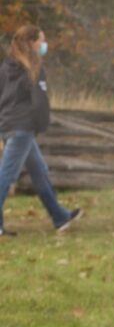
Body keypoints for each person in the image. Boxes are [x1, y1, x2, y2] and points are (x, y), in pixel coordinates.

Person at [0, 25, 82, 237]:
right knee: (6, 176)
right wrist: (42, 124)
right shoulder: (35, 69)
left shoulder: (6, 67)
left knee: (39, 172)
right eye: (41, 40)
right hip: (23, 128)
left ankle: (60, 217)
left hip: (9, 126)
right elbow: (39, 103)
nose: (44, 45)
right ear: (32, 43)